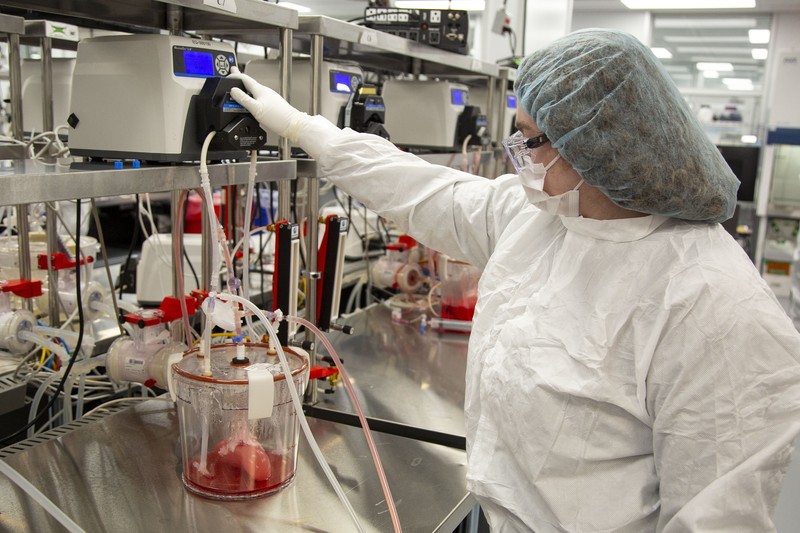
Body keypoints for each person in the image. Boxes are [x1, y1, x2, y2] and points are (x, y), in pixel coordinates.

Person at [231, 28, 800, 532]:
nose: (516, 157)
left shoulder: (717, 310)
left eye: (529, 140)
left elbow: (716, 518)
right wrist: (304, 128)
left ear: (595, 148)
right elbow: (429, 192)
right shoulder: (551, 218)